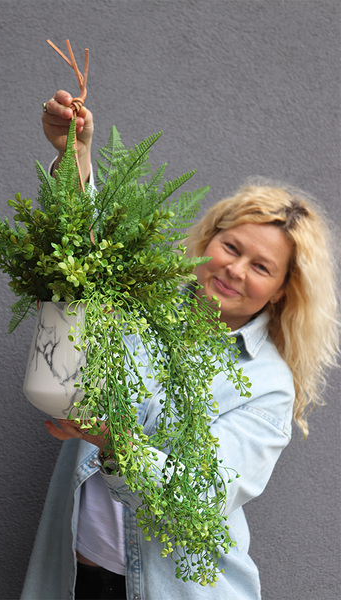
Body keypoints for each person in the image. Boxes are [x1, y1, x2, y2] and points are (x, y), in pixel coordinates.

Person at [21, 91, 339, 600]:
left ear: (282, 289)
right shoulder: (143, 297)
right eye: (231, 247)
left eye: (261, 267)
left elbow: (202, 498)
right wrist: (75, 156)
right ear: (210, 239)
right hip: (75, 577)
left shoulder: (268, 383)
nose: (235, 269)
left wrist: (114, 442)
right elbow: (89, 251)